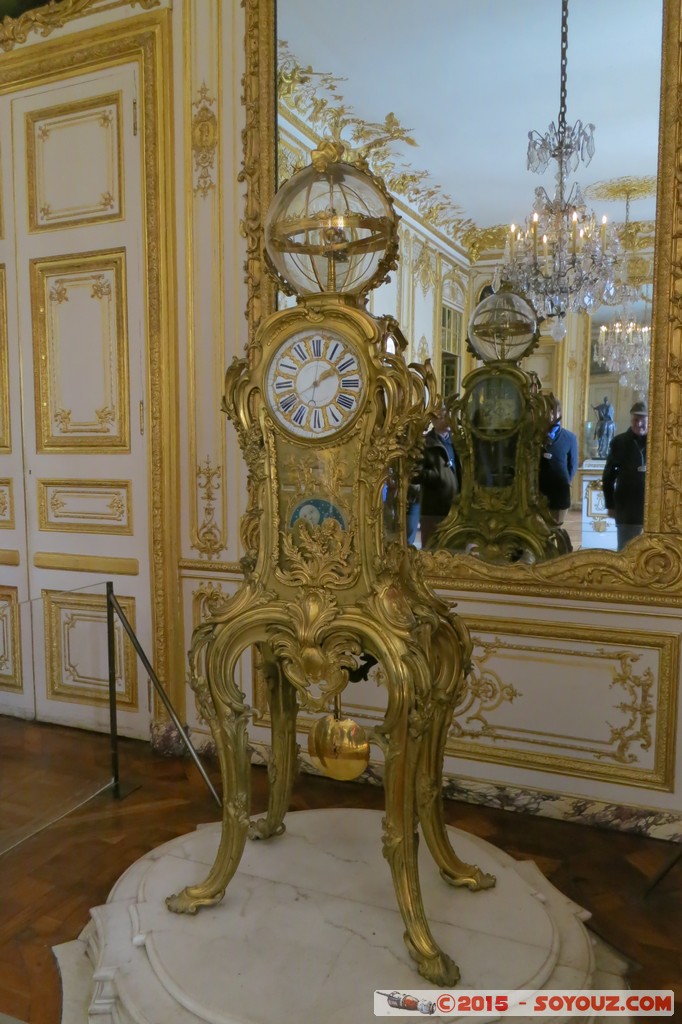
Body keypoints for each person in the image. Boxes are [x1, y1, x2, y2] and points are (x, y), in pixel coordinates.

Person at [602, 400, 648, 550]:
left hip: (651, 506)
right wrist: (610, 504)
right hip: (626, 506)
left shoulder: (657, 442)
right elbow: (608, 476)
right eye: (636, 419)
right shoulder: (619, 442)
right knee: (626, 549)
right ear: (631, 420)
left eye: (643, 420)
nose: (639, 424)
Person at [416, 406, 460, 547]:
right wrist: (438, 475)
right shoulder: (425, 443)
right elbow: (415, 473)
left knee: (453, 551)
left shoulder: (457, 442)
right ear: (434, 421)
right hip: (433, 509)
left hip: (454, 509)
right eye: (442, 417)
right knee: (432, 550)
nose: (447, 420)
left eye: (448, 416)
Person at [538, 400, 578, 526]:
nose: (549, 415)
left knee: (556, 531)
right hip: (538, 494)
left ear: (558, 413)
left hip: (559, 494)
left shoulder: (570, 438)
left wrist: (564, 482)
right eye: (546, 412)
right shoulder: (536, 436)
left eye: (552, 412)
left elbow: (573, 465)